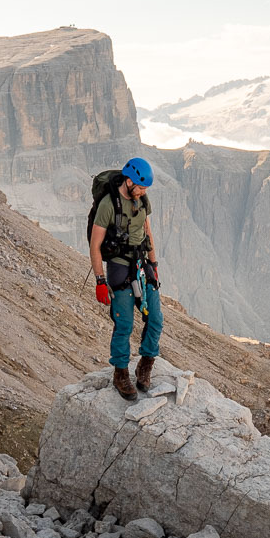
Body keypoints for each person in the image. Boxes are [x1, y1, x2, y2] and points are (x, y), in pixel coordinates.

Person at [89, 157, 162, 400]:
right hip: (119, 265)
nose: (143, 193)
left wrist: (154, 264)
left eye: (145, 189)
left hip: (142, 262)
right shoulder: (108, 205)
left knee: (156, 318)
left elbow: (147, 232)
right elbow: (95, 245)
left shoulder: (142, 200)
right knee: (125, 324)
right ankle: (120, 373)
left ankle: (145, 365)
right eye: (140, 188)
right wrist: (100, 281)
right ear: (129, 181)